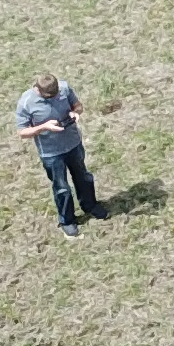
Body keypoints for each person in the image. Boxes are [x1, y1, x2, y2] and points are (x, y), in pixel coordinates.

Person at [14, 75, 104, 232]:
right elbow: (22, 132)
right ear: (37, 89)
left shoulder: (64, 89)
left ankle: (90, 205)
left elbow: (78, 106)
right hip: (51, 153)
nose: (54, 98)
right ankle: (67, 220)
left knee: (83, 177)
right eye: (50, 96)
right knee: (61, 187)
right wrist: (44, 127)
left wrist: (76, 113)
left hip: (73, 144)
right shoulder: (26, 102)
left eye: (56, 95)